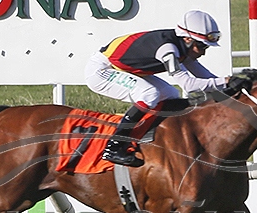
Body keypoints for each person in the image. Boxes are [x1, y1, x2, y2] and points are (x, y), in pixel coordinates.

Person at [84, 9, 231, 167]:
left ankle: (153, 138)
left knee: (170, 94)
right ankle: (114, 147)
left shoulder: (183, 46)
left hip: (122, 69)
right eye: (201, 46)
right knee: (149, 94)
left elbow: (207, 78)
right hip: (102, 70)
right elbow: (189, 85)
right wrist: (225, 82)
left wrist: (230, 84)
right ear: (187, 39)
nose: (203, 52)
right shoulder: (168, 49)